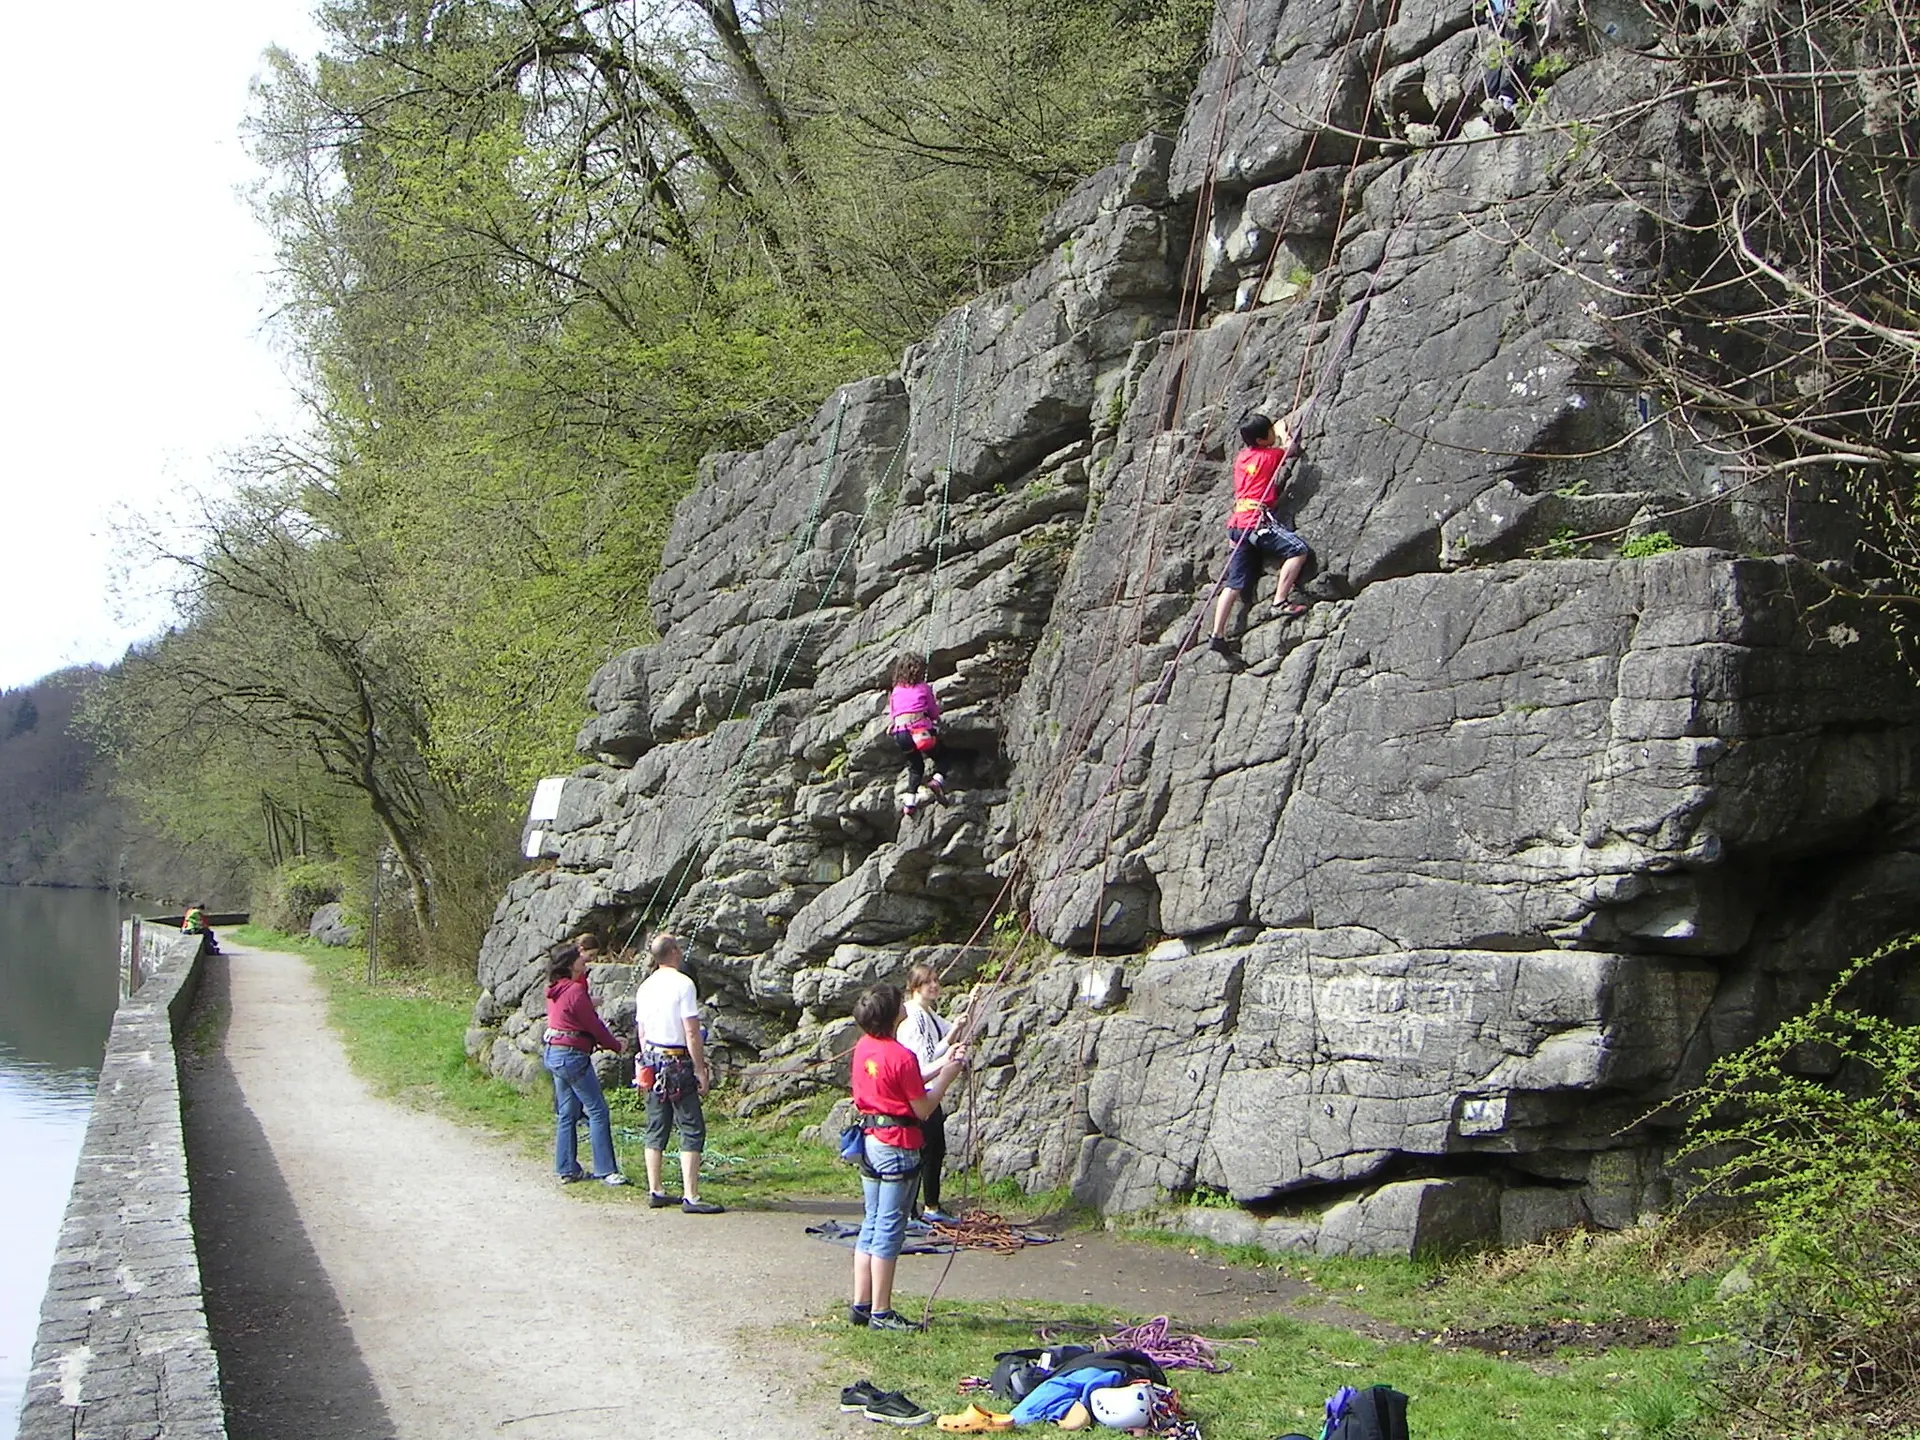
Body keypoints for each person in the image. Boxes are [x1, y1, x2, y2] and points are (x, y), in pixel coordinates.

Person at [848, 981, 966, 1332]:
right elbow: (924, 1106)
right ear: (891, 1016)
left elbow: (906, 1079)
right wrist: (949, 1074)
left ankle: (862, 1303)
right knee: (889, 1229)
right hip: (898, 1144)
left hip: (870, 1140)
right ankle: (882, 1312)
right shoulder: (901, 1056)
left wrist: (943, 1062)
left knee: (870, 1223)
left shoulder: (863, 1047)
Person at [633, 933, 724, 1214]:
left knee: (655, 1126)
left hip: (653, 1059)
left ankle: (655, 1189)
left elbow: (642, 1031)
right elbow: (692, 1032)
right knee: (691, 1127)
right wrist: (700, 1069)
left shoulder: (645, 987)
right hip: (678, 1062)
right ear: (673, 952)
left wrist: (642, 1063)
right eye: (679, 947)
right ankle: (691, 1195)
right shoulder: (684, 985)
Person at [1208, 413, 1312, 655]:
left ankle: (1217, 634)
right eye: (1269, 432)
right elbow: (1292, 449)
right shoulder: (1270, 455)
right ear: (1264, 438)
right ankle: (1280, 602)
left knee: (1233, 583)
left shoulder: (1242, 458)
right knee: (1298, 550)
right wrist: (1284, 433)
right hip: (1255, 522)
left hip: (1236, 525)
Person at [542, 941, 629, 1185]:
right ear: (570, 964)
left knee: (567, 1113)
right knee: (598, 1111)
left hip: (555, 1053)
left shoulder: (555, 988)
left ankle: (566, 1168)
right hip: (572, 1056)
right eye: (578, 957)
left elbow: (575, 1016)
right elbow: (593, 1026)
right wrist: (616, 1045)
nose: (584, 959)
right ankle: (606, 1170)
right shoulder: (574, 991)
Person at [898, 964, 958, 1224]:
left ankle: (929, 1206)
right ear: (915, 987)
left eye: (936, 980)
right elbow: (925, 1060)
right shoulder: (916, 1017)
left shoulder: (928, 1013)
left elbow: (944, 1038)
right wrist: (949, 1063)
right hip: (920, 1092)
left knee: (934, 1148)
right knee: (924, 1150)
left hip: (927, 1089)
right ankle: (917, 1210)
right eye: (928, 982)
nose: (934, 985)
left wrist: (960, 1025)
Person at [887, 653, 946, 815]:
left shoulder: (896, 690)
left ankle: (910, 803)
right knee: (942, 756)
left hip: (901, 734)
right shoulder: (923, 687)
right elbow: (933, 712)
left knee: (915, 766)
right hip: (920, 731)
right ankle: (937, 781)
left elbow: (893, 713)